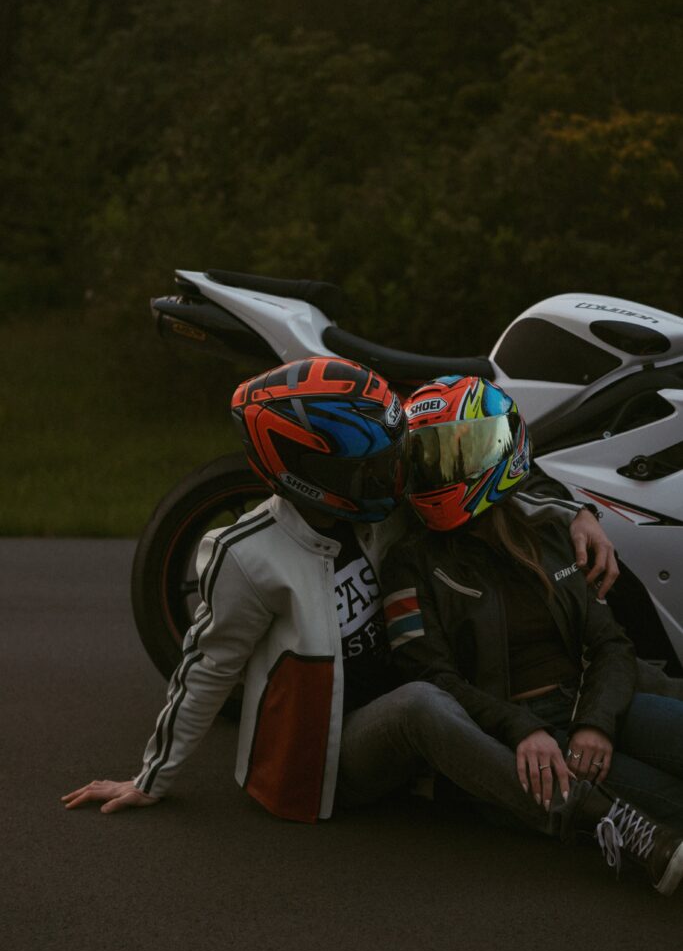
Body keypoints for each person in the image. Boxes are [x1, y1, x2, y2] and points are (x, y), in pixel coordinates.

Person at [62, 358, 617, 831]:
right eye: (371, 469)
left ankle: (530, 782)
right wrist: (152, 778)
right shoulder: (248, 555)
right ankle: (602, 824)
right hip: (328, 759)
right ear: (312, 473)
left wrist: (577, 513)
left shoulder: (382, 509)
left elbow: (493, 469)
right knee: (423, 702)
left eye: (390, 462)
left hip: (430, 722)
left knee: (437, 696)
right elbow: (205, 667)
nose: (392, 479)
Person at [380, 374, 683, 894]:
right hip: (520, 734)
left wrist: (596, 723)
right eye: (428, 456)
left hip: (594, 705)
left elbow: (610, 643)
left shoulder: (551, 532)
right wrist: (521, 727)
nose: (442, 470)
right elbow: (433, 679)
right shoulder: (407, 564)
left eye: (459, 452)